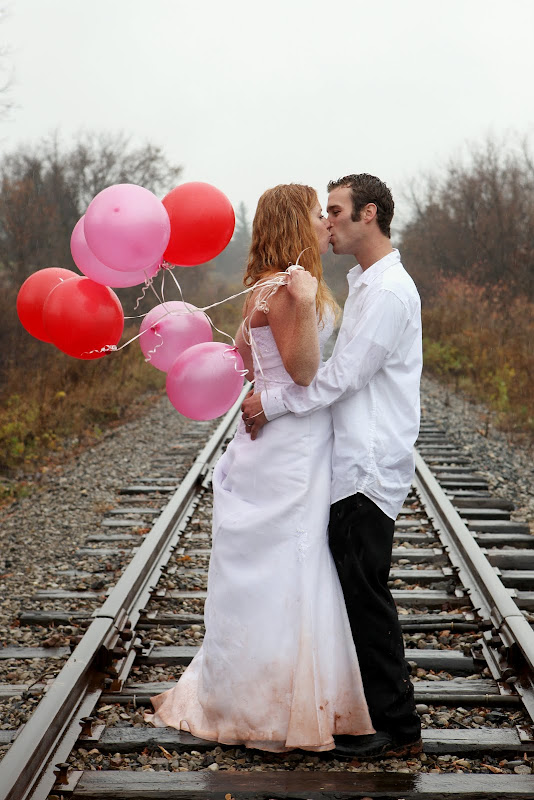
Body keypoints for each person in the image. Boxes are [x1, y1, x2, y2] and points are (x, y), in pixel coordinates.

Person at [146, 184, 375, 752]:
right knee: (294, 565)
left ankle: (251, 693)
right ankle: (283, 705)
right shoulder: (291, 289)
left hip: (266, 443)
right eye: (317, 213)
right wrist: (305, 299)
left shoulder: (261, 288)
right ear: (297, 223)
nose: (325, 221)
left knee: (266, 568)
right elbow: (304, 371)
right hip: (293, 445)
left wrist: (269, 382)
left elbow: (248, 364)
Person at [241, 174, 423, 760]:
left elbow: (342, 377)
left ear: (369, 214)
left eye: (337, 211)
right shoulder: (364, 285)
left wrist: (273, 403)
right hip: (349, 457)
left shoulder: (388, 292)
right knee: (353, 588)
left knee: (365, 591)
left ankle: (398, 728)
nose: (328, 222)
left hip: (367, 461)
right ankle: (370, 714)